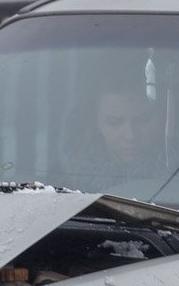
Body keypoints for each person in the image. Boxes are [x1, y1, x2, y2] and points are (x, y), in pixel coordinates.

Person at [62, 63, 167, 194]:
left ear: (165, 119)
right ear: (96, 124)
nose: (131, 136)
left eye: (143, 120)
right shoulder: (56, 186)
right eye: (114, 122)